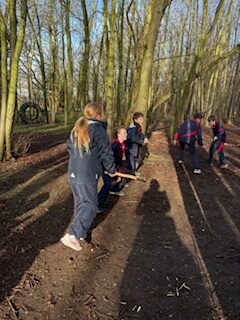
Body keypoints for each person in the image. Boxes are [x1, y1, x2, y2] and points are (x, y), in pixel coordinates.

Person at [60, 102, 117, 251]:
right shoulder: (98, 129)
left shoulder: (76, 128)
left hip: (73, 173)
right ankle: (73, 235)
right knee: (91, 205)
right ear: (99, 114)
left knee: (80, 204)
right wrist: (111, 169)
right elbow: (106, 152)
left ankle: (81, 232)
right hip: (86, 175)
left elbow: (72, 149)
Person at [98, 126, 128, 212]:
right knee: (107, 184)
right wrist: (110, 171)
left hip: (113, 166)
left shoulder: (123, 144)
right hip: (106, 167)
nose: (126, 134)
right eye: (124, 133)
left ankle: (114, 190)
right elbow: (108, 159)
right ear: (118, 135)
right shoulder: (115, 146)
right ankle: (97, 204)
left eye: (126, 132)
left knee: (119, 180)